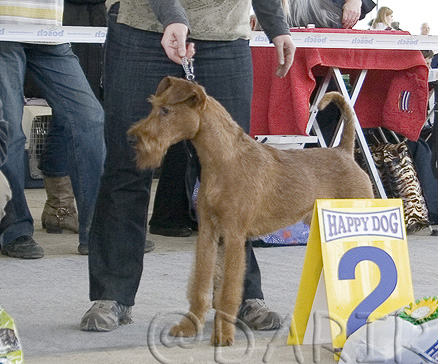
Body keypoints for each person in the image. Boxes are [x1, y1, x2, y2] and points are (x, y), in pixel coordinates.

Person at [79, 0, 295, 333]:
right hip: (142, 27)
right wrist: (174, 18)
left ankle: (240, 296)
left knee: (234, 174)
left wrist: (276, 24)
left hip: (223, 32)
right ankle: (112, 295)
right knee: (128, 165)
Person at [0, 0, 105, 259]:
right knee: (10, 130)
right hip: (4, 26)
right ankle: (14, 229)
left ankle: (98, 229)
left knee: (90, 117)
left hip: (48, 28)